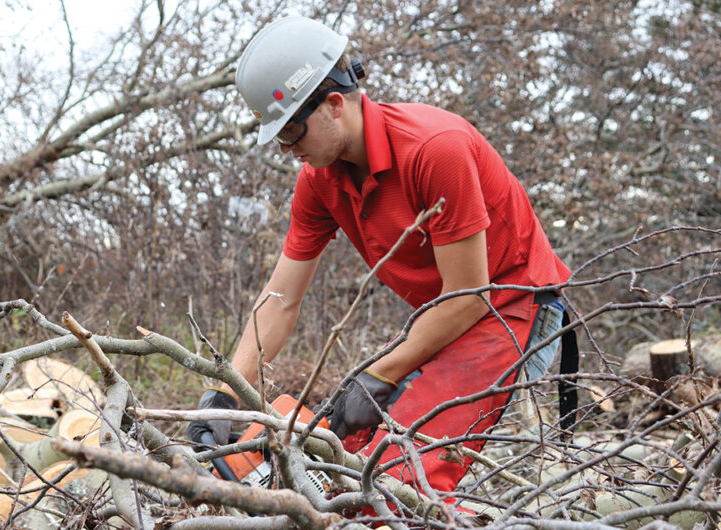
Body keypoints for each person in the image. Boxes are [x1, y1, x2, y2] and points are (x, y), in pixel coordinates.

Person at [187, 15, 573, 499]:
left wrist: (381, 372)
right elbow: (281, 298)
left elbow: (471, 297)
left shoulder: (436, 149)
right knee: (341, 454)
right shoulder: (319, 180)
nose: (288, 150)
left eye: (291, 133)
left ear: (332, 105)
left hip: (511, 302)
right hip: (446, 313)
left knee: (397, 476)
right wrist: (227, 394)